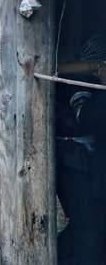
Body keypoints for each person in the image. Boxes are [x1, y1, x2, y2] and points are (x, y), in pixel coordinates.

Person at [56, 34, 106, 264]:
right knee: (87, 230)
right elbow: (87, 119)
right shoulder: (78, 88)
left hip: (92, 169)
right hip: (81, 169)